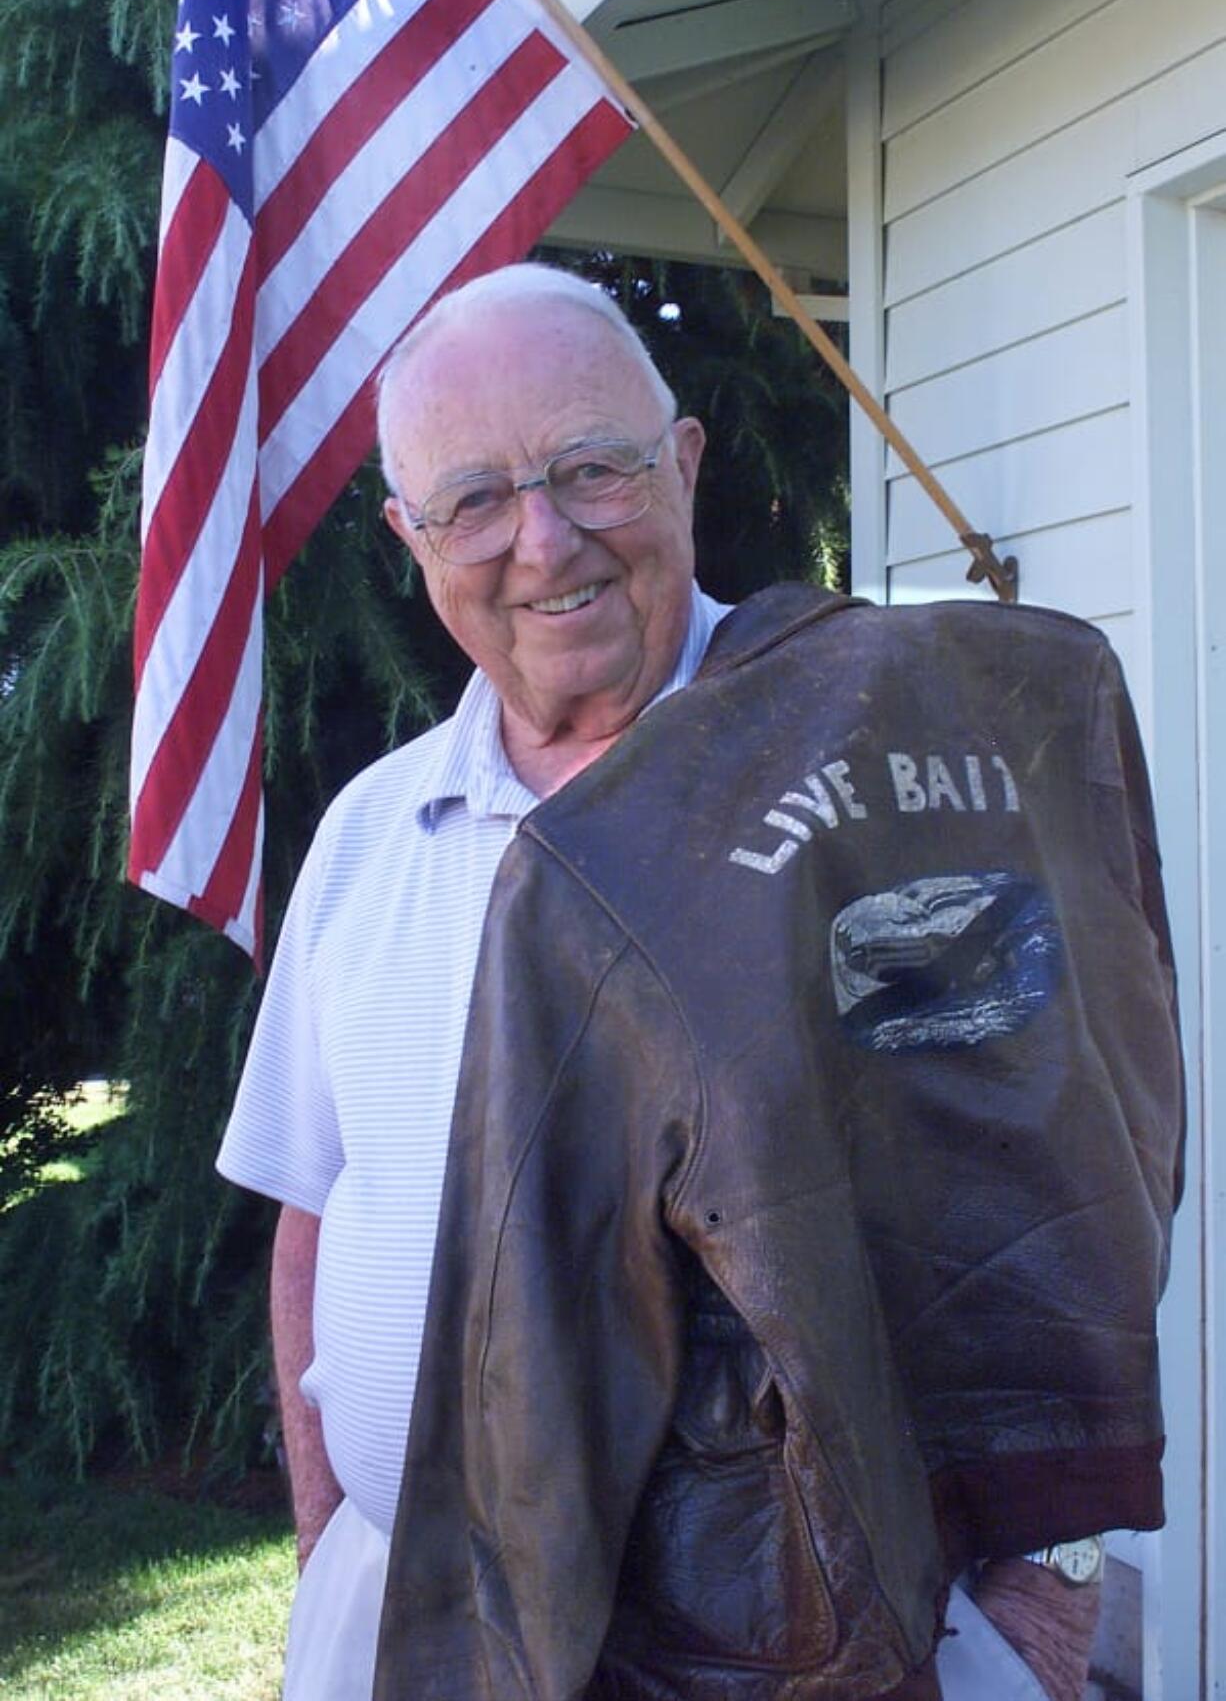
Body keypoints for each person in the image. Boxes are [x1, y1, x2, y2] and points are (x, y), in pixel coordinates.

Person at [219, 264, 1182, 1701]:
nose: (543, 542)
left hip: (835, 1639)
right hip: (416, 1611)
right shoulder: (367, 831)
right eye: (475, 499)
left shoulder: (887, 785)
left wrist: (1053, 1592)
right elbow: (313, 1212)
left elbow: (1063, 1196)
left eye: (591, 467)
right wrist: (330, 1552)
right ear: (407, 537)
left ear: (681, 464)